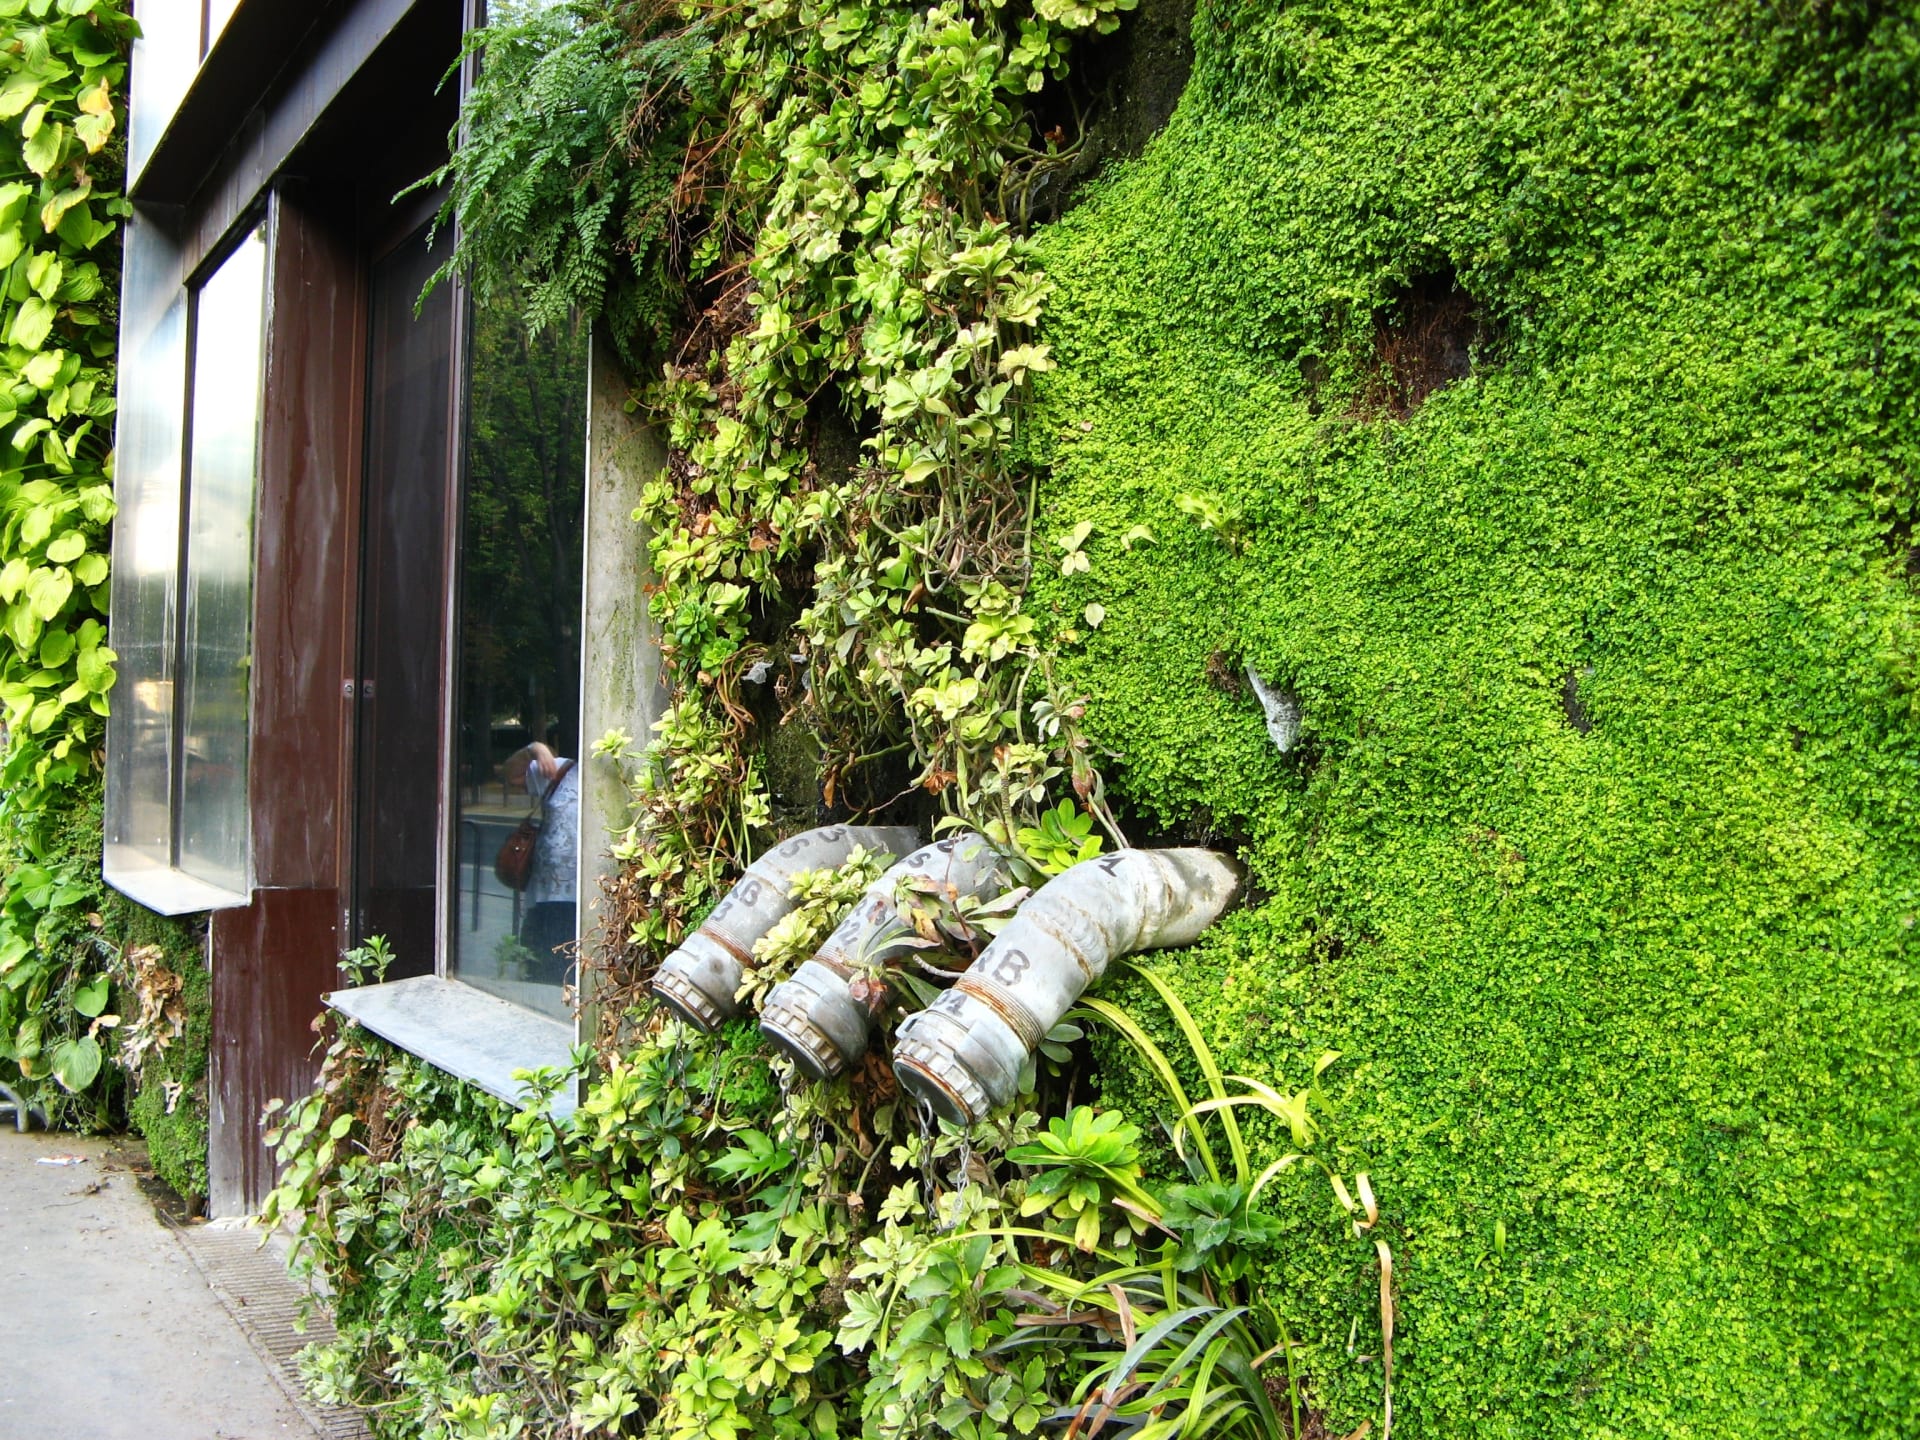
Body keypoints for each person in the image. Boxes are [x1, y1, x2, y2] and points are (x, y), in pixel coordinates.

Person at [503, 741, 578, 985]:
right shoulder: (562, 769)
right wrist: (535, 749)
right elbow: (511, 774)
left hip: (589, 898)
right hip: (548, 896)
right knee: (542, 968)